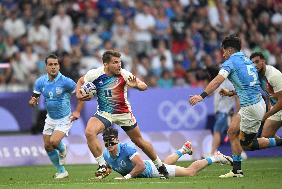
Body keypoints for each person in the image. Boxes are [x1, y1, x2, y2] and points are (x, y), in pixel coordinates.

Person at [189, 35, 282, 178]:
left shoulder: (231, 62)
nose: (223, 54)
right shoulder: (246, 60)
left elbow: (217, 81)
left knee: (247, 144)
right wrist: (231, 92)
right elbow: (249, 85)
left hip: (251, 106)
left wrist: (201, 96)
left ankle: (281, 141)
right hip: (254, 103)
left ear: (230, 49)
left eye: (224, 51)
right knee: (232, 131)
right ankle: (237, 171)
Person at [76, 50, 169, 179]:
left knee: (139, 141)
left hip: (123, 113)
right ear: (106, 64)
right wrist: (78, 94)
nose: (119, 65)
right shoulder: (95, 74)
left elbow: (144, 86)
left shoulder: (124, 74)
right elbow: (80, 81)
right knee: (89, 132)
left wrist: (136, 85)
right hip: (105, 113)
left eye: (119, 62)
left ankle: (160, 166)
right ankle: (103, 165)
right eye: (115, 62)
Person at [28, 54, 84, 179]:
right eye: (50, 64)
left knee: (54, 141)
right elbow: (34, 97)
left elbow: (81, 96)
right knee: (47, 146)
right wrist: (32, 101)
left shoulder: (66, 82)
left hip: (65, 118)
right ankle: (62, 171)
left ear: (59, 66)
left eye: (56, 64)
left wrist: (77, 112)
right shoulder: (40, 82)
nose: (53, 67)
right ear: (46, 67)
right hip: (50, 118)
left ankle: (63, 148)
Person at [102, 127, 233, 179]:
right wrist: (103, 173)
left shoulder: (127, 149)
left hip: (151, 170)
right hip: (150, 166)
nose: (109, 145)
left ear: (117, 140)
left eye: (112, 142)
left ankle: (215, 158)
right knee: (164, 163)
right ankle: (183, 150)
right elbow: (110, 165)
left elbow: (141, 166)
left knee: (190, 172)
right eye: (106, 143)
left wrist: (126, 178)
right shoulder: (106, 155)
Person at [249, 52, 282, 138]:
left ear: (263, 61)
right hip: (278, 108)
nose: (255, 65)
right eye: (252, 63)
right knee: (266, 136)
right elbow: (268, 95)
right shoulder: (257, 75)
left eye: (257, 62)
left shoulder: (273, 75)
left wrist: (266, 116)